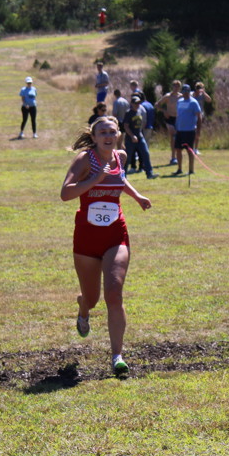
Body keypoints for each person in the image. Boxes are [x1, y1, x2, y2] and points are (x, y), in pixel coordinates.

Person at [60, 116, 152, 376]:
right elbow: (65, 193)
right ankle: (83, 308)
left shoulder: (120, 157)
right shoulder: (84, 159)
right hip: (87, 238)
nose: (108, 136)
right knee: (92, 299)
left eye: (112, 131)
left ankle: (117, 357)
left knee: (114, 292)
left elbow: (120, 179)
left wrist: (137, 196)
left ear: (118, 134)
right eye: (103, 132)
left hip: (115, 235)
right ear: (94, 136)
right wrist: (94, 179)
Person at [122, 94, 157, 179]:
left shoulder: (140, 111)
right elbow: (126, 126)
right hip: (130, 139)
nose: (137, 105)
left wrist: (140, 132)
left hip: (140, 136)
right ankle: (123, 175)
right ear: (132, 104)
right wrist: (132, 136)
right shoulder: (128, 113)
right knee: (128, 157)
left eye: (138, 103)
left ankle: (149, 173)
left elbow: (142, 123)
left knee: (145, 153)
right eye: (135, 103)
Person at [173, 84, 203, 176]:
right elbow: (178, 115)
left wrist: (198, 131)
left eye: (187, 92)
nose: (185, 94)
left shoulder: (193, 102)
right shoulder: (179, 102)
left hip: (189, 130)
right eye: (184, 92)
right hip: (180, 130)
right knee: (178, 149)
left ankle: (191, 169)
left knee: (189, 150)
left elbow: (199, 117)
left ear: (189, 92)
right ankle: (179, 169)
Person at [156, 80, 183, 165]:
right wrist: (164, 111)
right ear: (172, 87)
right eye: (175, 86)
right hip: (169, 118)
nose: (176, 88)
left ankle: (176, 156)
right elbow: (157, 104)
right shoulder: (168, 96)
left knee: (177, 137)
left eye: (178, 86)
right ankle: (173, 157)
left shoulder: (181, 96)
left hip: (178, 118)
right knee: (173, 136)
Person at [192, 82, 212, 154]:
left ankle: (196, 148)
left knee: (198, 132)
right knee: (192, 132)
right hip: (192, 115)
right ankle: (191, 147)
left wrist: (204, 92)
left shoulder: (202, 95)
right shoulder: (192, 94)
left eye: (200, 88)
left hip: (200, 115)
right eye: (198, 88)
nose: (199, 90)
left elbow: (209, 100)